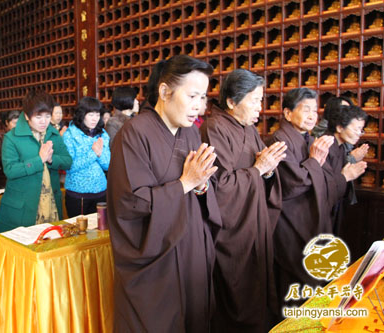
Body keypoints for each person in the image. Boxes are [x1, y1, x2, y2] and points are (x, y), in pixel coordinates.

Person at [107, 55, 222, 332]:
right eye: (193, 95)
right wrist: (184, 183)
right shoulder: (134, 133)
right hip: (157, 257)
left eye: (203, 97)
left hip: (191, 245)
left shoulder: (191, 134)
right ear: (164, 91)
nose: (200, 106)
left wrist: (203, 184)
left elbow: (200, 186)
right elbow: (130, 203)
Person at [200, 69, 286, 332]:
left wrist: (269, 169)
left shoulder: (248, 129)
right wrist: (259, 170)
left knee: (257, 288)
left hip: (253, 223)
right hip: (232, 230)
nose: (260, 108)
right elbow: (220, 187)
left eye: (261, 100)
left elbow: (260, 170)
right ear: (231, 102)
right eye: (255, 100)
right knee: (236, 292)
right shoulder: (214, 128)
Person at [269, 88, 366, 315]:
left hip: (310, 221)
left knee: (312, 285)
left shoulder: (309, 139)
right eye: (306, 110)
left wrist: (339, 175)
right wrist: (314, 161)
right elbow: (294, 184)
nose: (313, 115)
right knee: (294, 284)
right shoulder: (279, 140)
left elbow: (325, 180)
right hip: (290, 223)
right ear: (287, 113)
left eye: (315, 110)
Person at [0, 91, 72, 232]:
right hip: (24, 207)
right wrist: (39, 160)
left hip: (51, 203)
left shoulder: (53, 134)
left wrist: (50, 159)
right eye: (38, 116)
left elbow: (67, 162)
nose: (44, 121)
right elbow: (10, 170)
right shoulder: (12, 138)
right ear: (26, 116)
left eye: (48, 116)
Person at [63, 97, 110, 217]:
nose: (95, 118)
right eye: (90, 114)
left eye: (97, 114)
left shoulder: (102, 134)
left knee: (100, 231)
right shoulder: (70, 135)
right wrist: (93, 154)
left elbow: (107, 165)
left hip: (101, 191)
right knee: (80, 232)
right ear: (82, 115)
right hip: (78, 194)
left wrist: (99, 154)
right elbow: (70, 166)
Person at [324, 105, 368, 234]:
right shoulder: (325, 147)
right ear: (339, 127)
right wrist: (345, 177)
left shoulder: (341, 147)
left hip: (335, 205)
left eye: (361, 130)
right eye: (356, 129)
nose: (359, 134)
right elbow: (322, 186)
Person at [0, 110, 20, 189]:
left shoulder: (22, 136)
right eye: (14, 123)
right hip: (4, 177)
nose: (17, 126)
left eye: (19, 124)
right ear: (7, 123)